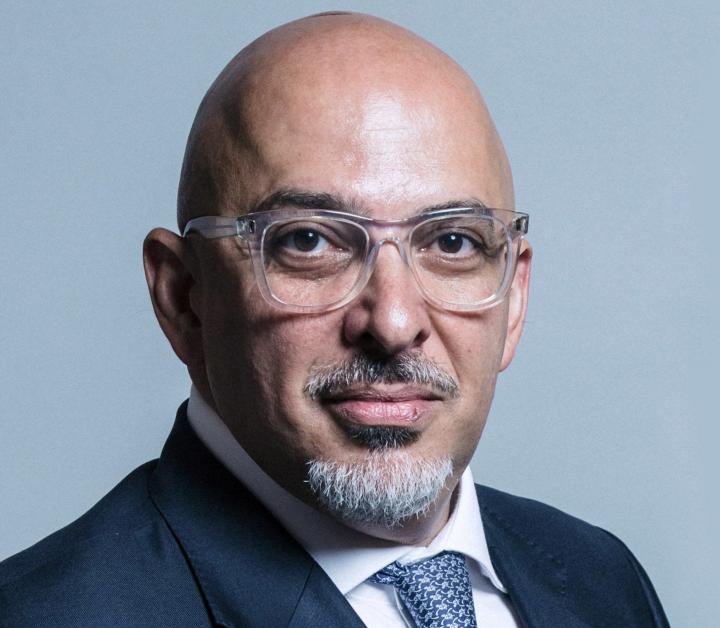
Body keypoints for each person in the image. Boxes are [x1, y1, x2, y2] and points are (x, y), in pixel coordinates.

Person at [0, 12, 668, 628]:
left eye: (452, 241)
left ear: (514, 299)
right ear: (184, 298)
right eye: (309, 241)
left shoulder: (602, 582)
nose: (394, 322)